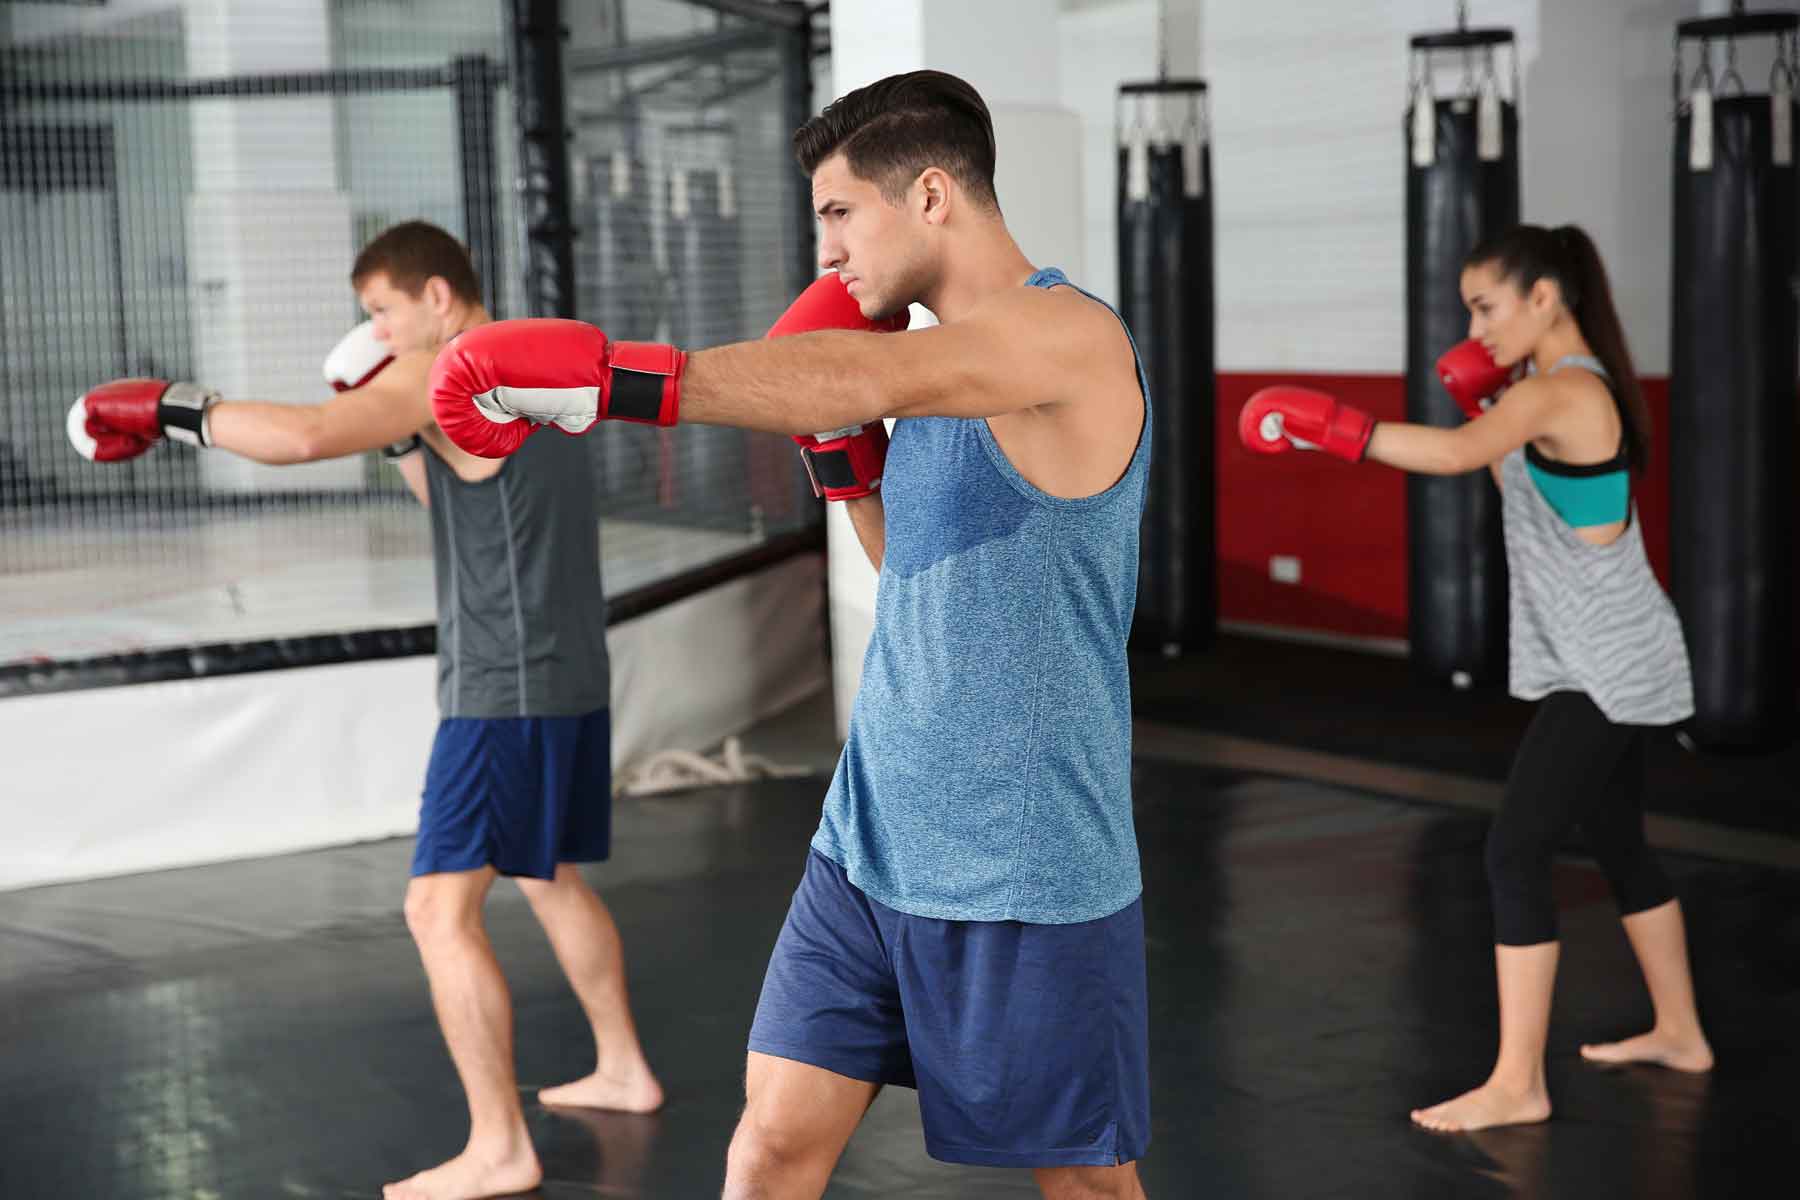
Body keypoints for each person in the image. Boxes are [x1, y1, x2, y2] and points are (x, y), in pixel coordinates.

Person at [429, 70, 1157, 1200]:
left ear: (928, 196)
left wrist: (612, 379)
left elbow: (887, 371)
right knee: (768, 1147)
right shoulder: (927, 375)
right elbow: (910, 570)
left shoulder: (1063, 338)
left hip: (1024, 863)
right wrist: (843, 464)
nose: (826, 254)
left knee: (1084, 1187)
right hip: (872, 837)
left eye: (837, 213)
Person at [68, 220, 664, 1200]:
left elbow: (301, 437)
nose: (377, 333)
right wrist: (392, 430)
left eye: (384, 310)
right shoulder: (527, 374)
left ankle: (498, 1146)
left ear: (437, 296)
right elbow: (470, 500)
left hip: (501, 693)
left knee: (437, 909)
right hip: (565, 676)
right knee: (549, 872)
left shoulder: (445, 374)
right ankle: (623, 1067)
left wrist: (176, 408)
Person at [1238, 222, 1712, 1133]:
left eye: (1487, 307)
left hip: (1606, 663)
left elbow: (1454, 460)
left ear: (1545, 297)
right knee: (1619, 842)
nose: (1477, 329)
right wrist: (1483, 414)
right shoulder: (1537, 395)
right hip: (1606, 648)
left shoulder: (1566, 393)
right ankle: (1682, 1031)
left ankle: (1516, 1083)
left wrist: (1329, 426)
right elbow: (1504, 479)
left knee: (1515, 849)